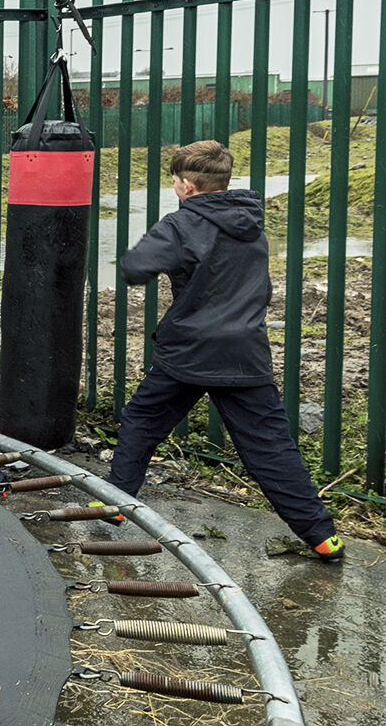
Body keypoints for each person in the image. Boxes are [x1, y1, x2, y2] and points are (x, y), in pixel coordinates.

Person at [100, 140, 344, 563]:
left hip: (189, 353)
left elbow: (134, 269)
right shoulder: (251, 224)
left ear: (187, 185)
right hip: (245, 354)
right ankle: (322, 537)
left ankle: (117, 504)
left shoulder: (180, 225)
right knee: (270, 446)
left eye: (175, 180)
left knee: (142, 420)